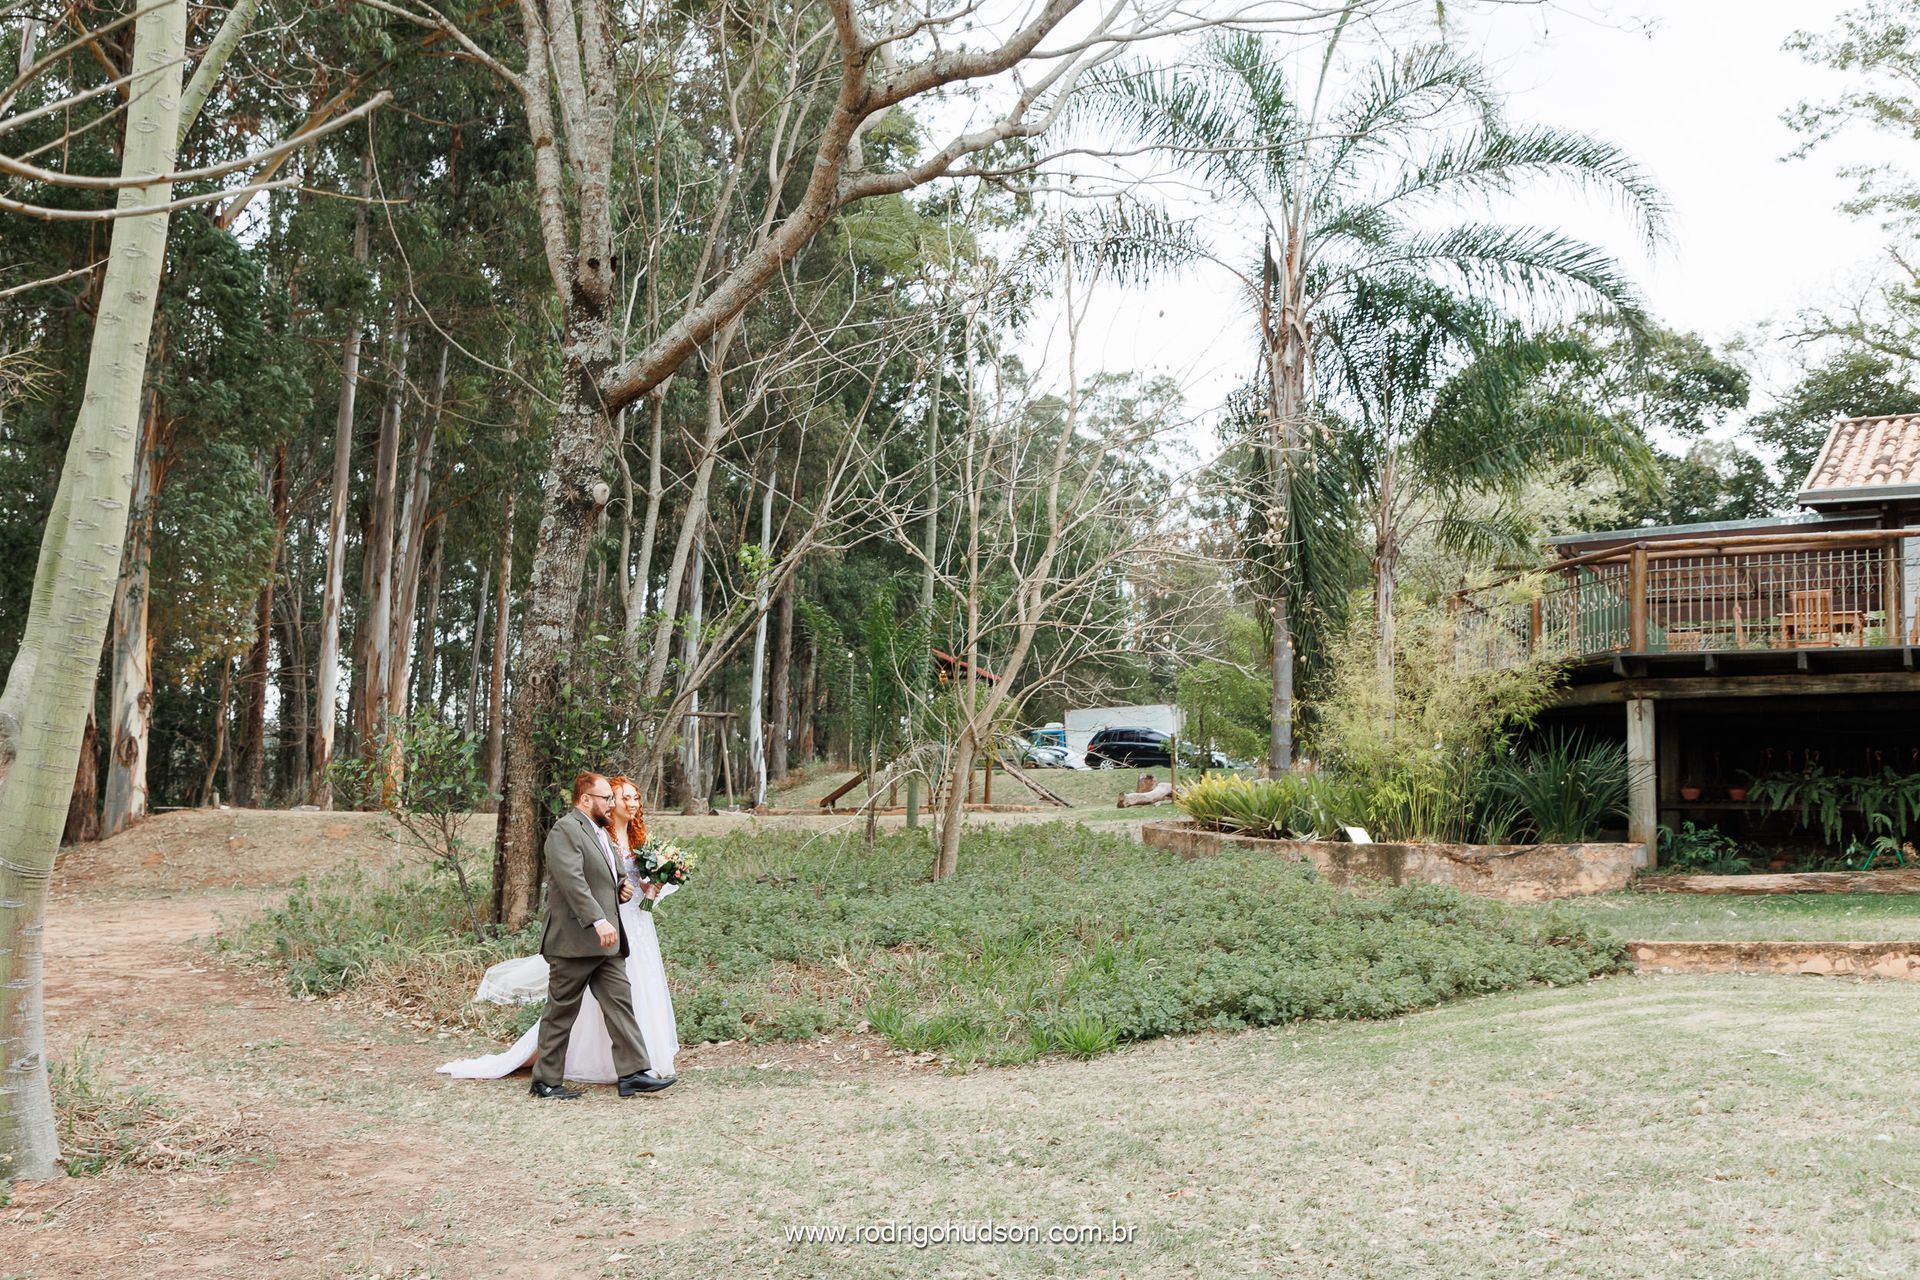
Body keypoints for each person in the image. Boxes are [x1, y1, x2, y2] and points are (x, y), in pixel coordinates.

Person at [436, 772, 672, 1098]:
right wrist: (598, 920)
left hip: (608, 945)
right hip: (575, 942)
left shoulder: (600, 832)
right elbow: (572, 881)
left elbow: (609, 872)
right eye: (606, 798)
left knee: (621, 1005)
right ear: (585, 799)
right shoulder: (565, 830)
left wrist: (621, 886)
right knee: (561, 1013)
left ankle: (632, 1074)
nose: (611, 803)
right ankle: (545, 1081)